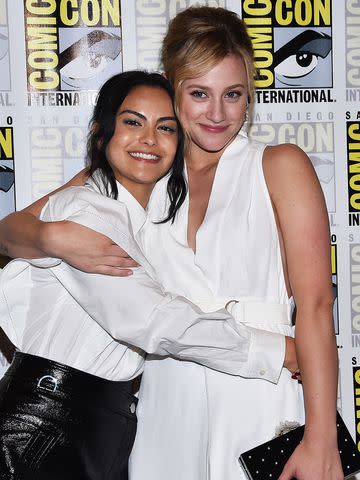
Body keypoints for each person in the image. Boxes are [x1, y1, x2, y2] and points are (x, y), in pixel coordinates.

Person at [0, 6, 342, 480]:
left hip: (263, 390)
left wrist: (322, 437)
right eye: (200, 93)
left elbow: (318, 305)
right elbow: (8, 230)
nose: (218, 114)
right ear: (172, 86)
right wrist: (49, 236)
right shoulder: (141, 171)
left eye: (234, 95)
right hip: (166, 393)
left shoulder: (280, 165)